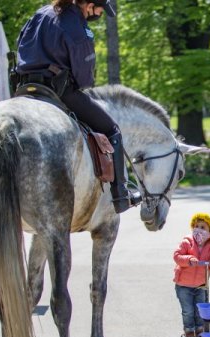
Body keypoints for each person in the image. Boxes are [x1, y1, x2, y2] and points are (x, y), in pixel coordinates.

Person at [15, 0, 131, 214]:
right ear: (88, 5)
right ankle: (121, 194)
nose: (97, 14)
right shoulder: (78, 26)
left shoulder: (40, 13)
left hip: (24, 87)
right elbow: (84, 77)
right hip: (59, 90)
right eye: (98, 9)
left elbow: (19, 43)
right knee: (112, 129)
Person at [173, 213, 210, 337]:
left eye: (203, 227)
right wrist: (189, 259)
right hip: (184, 284)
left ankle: (200, 329)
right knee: (188, 310)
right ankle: (189, 330)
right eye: (196, 226)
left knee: (200, 309)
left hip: (201, 285)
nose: (198, 229)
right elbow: (177, 256)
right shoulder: (187, 242)